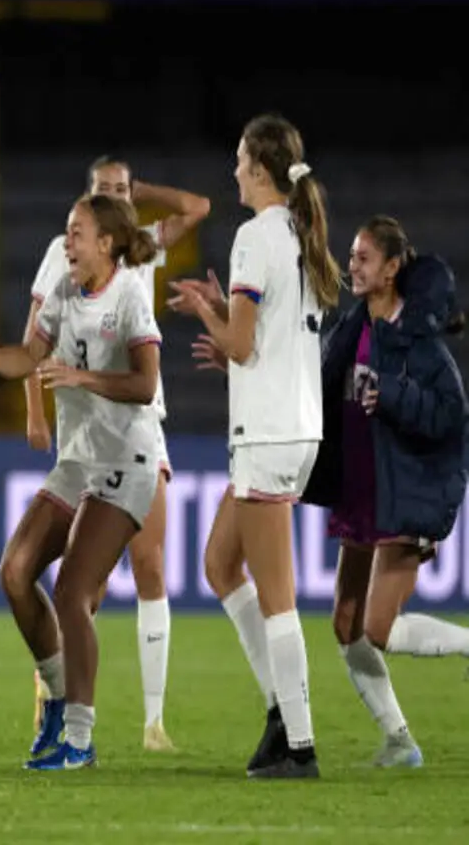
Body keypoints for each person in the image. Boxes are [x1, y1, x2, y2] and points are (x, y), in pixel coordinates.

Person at [195, 217, 468, 767]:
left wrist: (390, 392)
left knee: (378, 627)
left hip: (402, 492)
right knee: (346, 624)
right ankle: (399, 740)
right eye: (352, 255)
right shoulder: (350, 330)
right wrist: (235, 361)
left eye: (365, 258)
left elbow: (450, 415)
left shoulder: (420, 340)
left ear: (393, 269)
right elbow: (303, 385)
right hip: (361, 491)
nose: (353, 266)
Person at [0, 194, 162, 771]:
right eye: (67, 232)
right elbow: (29, 357)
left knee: (70, 591)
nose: (67, 243)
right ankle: (61, 692)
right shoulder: (66, 291)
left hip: (125, 462)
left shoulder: (129, 295)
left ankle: (80, 739)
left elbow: (145, 385)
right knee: (15, 572)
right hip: (77, 462)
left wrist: (80, 376)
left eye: (77, 233)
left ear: (107, 243)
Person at [170, 114, 341, 779]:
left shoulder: (253, 235)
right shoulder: (302, 232)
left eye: (241, 160)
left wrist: (208, 313)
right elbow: (262, 338)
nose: (234, 169)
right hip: (295, 426)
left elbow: (240, 344)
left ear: (262, 170)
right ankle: (279, 711)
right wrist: (226, 310)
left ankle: (298, 744)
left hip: (268, 431)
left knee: (277, 597)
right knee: (219, 564)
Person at [25, 157, 210, 752]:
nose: (116, 197)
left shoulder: (141, 251)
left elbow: (199, 208)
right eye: (104, 191)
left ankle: (152, 722)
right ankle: (58, 691)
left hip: (138, 426)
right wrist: (35, 410)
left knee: (149, 565)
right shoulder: (66, 255)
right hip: (88, 434)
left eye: (122, 190)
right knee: (84, 588)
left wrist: (143, 192)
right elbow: (34, 337)